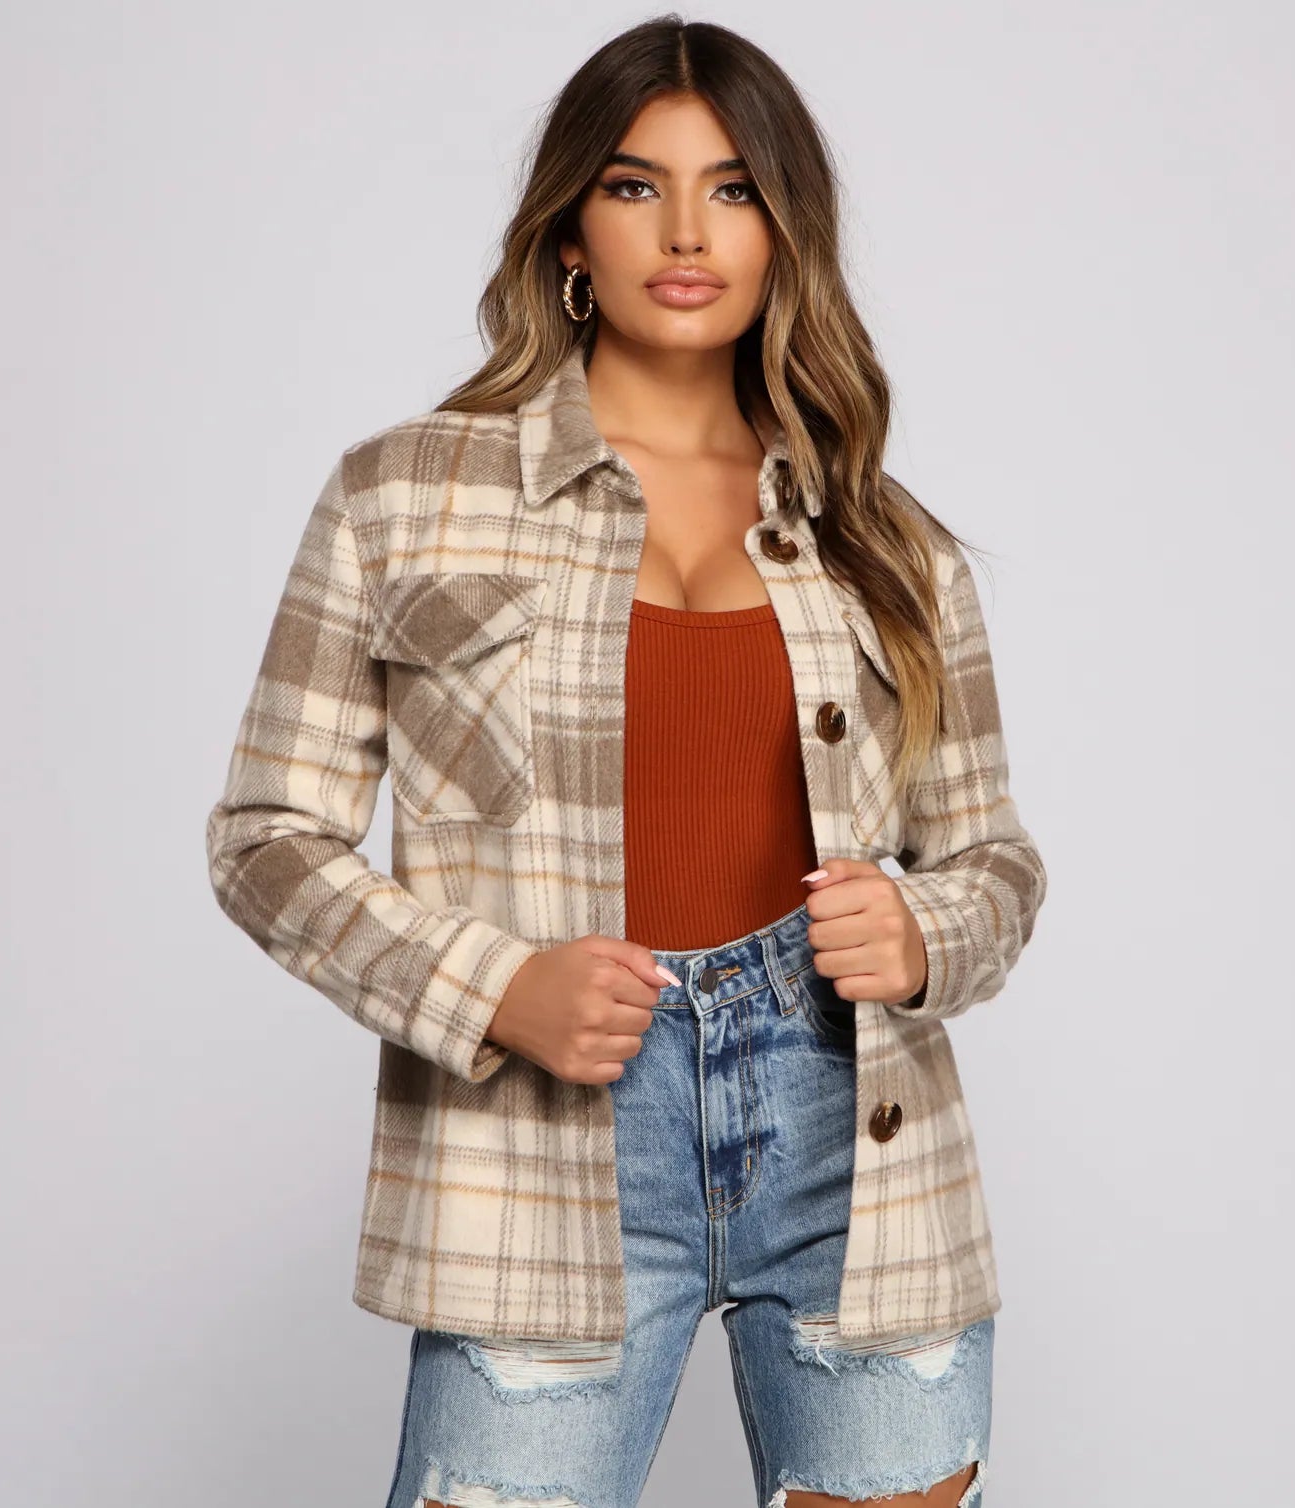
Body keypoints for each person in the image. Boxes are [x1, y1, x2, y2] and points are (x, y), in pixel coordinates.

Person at [204, 18, 1048, 1508]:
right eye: (636, 184)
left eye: (733, 190)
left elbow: (994, 860)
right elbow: (266, 836)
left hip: (855, 1139)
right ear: (570, 231)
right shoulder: (405, 496)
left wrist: (927, 933)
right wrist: (491, 990)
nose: (686, 232)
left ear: (786, 234)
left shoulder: (886, 538)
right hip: (543, 1146)